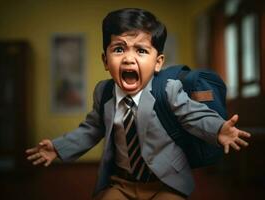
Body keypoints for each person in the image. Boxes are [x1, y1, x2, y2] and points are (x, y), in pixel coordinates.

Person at [26, 8, 251, 200]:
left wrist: (218, 128)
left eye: (141, 50)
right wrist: (58, 147)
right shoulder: (104, 92)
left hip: (165, 183)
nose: (129, 58)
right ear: (105, 60)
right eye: (119, 49)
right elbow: (92, 129)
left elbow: (192, 114)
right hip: (121, 182)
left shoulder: (167, 89)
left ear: (157, 62)